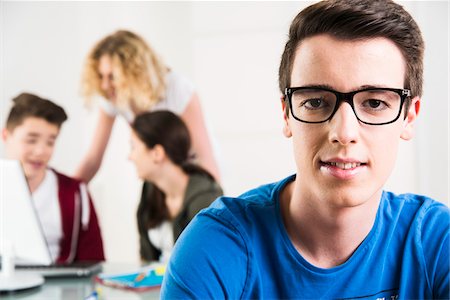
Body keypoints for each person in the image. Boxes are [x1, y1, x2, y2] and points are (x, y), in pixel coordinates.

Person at [161, 0, 450, 298]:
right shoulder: (215, 248)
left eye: (375, 103)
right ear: (286, 114)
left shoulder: (436, 242)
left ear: (409, 116)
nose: (343, 133)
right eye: (315, 102)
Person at [75, 30, 220, 183]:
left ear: (134, 72)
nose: (104, 85)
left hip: (194, 177)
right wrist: (66, 195)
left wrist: (213, 198)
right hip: (159, 178)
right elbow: (93, 159)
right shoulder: (113, 97)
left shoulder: (178, 89)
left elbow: (205, 159)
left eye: (112, 76)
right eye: (100, 76)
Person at [2, 93, 105, 263]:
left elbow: (94, 261)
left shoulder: (75, 192)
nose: (41, 151)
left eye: (50, 142)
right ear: (6, 136)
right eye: (31, 140)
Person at [128, 110, 223, 263]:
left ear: (157, 153)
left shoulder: (206, 197)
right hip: (159, 285)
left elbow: (208, 264)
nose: (130, 157)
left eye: (133, 147)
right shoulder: (150, 190)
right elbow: (146, 259)